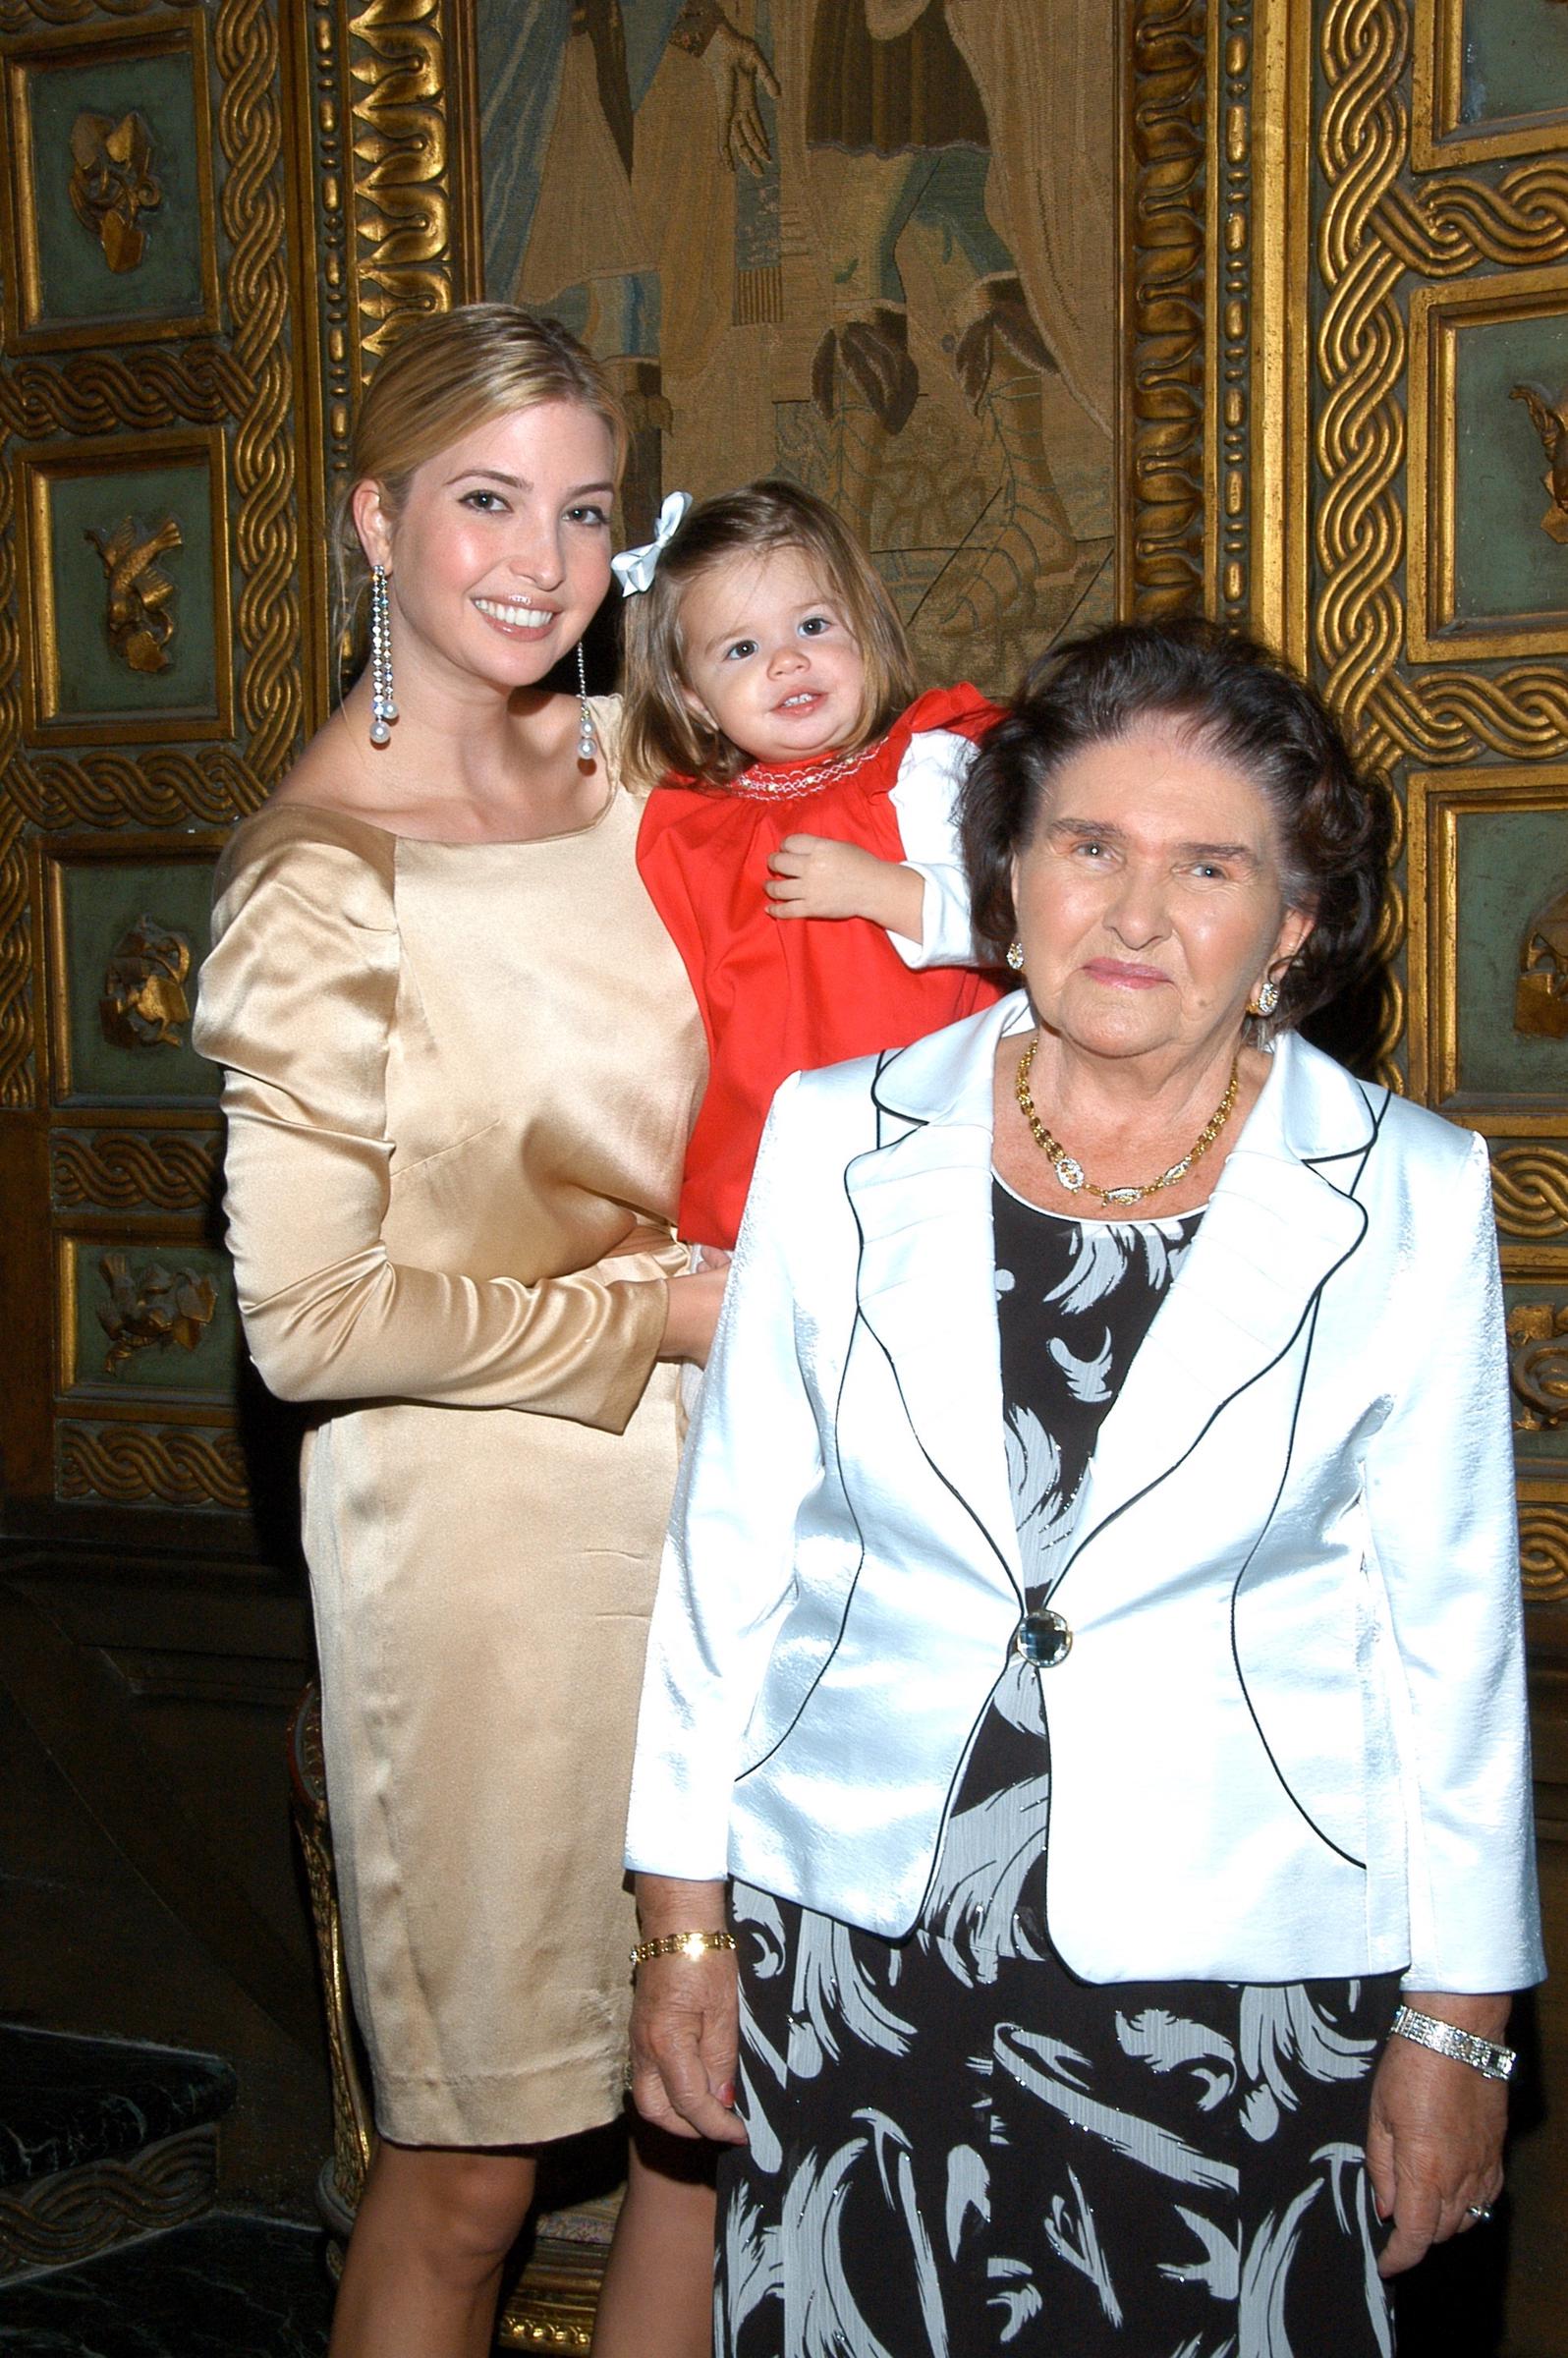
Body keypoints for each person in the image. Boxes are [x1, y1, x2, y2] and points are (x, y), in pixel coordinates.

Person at [624, 618, 1545, 2355]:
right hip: (860, 1941)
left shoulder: (1407, 1192)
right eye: (1090, 845)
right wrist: (682, 1922)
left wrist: (1463, 2022)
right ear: (1008, 872)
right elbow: (728, 1549)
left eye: (1210, 867)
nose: (1135, 913)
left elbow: (1452, 1633)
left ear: (1292, 924)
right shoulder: (835, 1134)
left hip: (1243, 1983)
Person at [193, 306, 723, 2358]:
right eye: (486, 502)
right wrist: (652, 1316)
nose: (541, 561)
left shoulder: (637, 765)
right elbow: (309, 1321)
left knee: (708, 2121)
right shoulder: (320, 878)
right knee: (476, 2167)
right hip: (484, 1562)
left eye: (586, 513)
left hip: (730, 1509)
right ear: (374, 520)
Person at [621, 477, 1002, 1255]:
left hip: (927, 1148)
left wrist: (880, 889)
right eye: (742, 648)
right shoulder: (687, 823)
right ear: (694, 699)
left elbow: (1022, 927)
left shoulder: (927, 764)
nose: (789, 660)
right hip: (763, 1172)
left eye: (813, 625)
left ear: (864, 630)